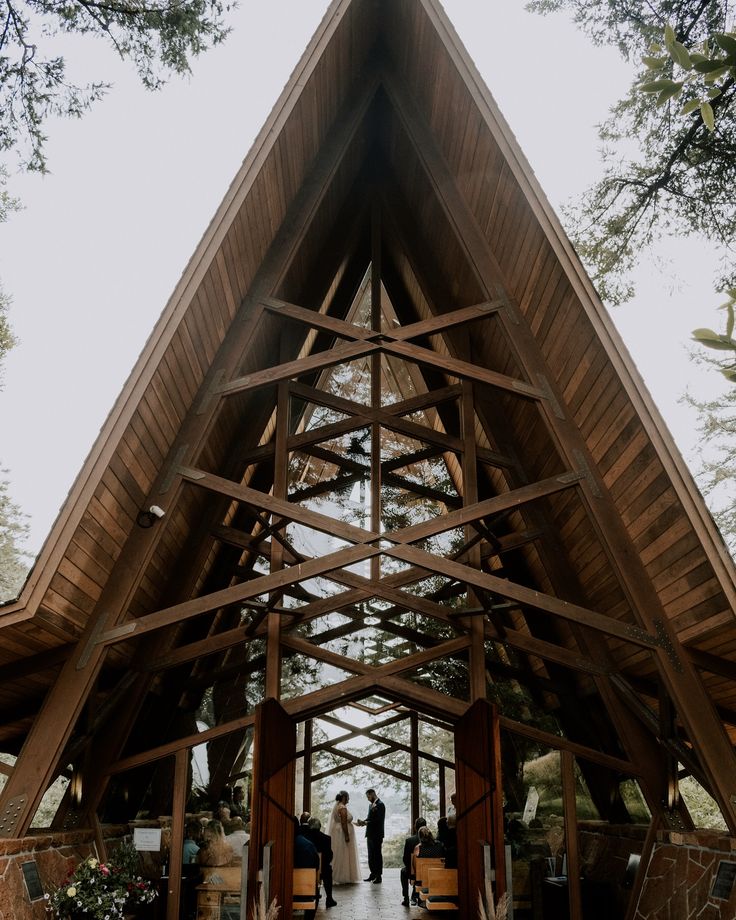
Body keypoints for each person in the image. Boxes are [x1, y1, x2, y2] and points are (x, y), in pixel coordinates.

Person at [327, 791, 360, 884]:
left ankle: (338, 874)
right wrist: (346, 835)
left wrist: (354, 824)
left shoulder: (338, 806)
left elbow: (343, 821)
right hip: (341, 833)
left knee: (339, 852)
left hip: (337, 832)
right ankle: (342, 875)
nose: (349, 800)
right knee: (343, 852)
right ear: (344, 797)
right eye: (348, 797)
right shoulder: (342, 808)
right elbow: (344, 823)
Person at [305, 816, 337, 909]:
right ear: (319, 827)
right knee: (328, 870)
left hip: (307, 868)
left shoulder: (305, 837)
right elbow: (329, 856)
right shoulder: (326, 838)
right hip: (322, 868)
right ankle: (329, 898)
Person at [357, 788, 386, 883]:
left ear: (373, 794)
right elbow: (370, 818)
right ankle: (372, 873)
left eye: (368, 796)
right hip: (370, 834)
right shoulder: (370, 805)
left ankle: (378, 876)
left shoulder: (381, 805)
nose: (368, 799)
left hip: (377, 834)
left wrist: (366, 823)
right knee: (371, 856)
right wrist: (363, 822)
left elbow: (378, 820)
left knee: (377, 855)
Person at [294, 820, 320, 920]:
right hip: (305, 892)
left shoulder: (281, 842)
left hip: (279, 889)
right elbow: (316, 866)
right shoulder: (307, 844)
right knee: (315, 891)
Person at [400, 817, 426, 907]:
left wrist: (410, 868)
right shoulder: (431, 841)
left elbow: (405, 858)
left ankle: (406, 898)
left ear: (415, 827)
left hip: (412, 872)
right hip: (427, 872)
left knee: (403, 872)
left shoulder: (409, 841)